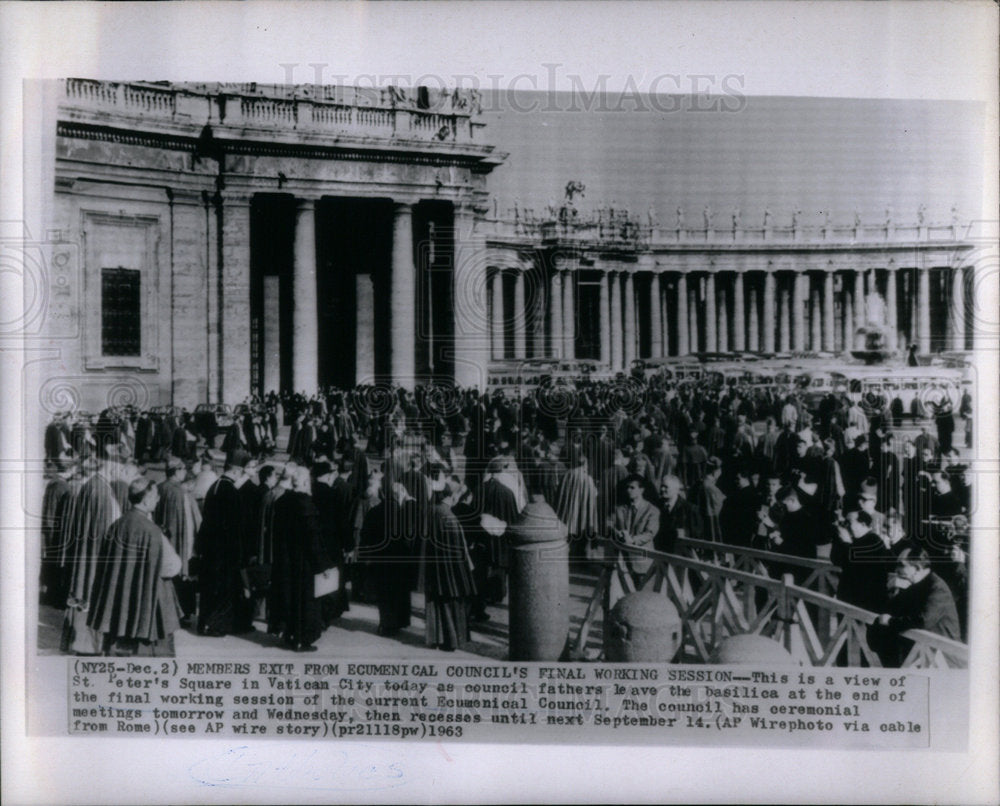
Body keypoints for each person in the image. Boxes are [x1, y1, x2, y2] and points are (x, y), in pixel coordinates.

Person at [85, 477, 183, 656]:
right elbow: (172, 567)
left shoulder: (116, 526)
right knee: (156, 653)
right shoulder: (153, 531)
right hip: (150, 602)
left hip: (119, 602)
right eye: (155, 496)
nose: (158, 499)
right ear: (146, 499)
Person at [61, 454, 123, 655]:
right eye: (119, 469)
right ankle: (87, 647)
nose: (120, 474)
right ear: (111, 468)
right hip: (96, 558)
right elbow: (105, 533)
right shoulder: (101, 492)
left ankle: (81, 644)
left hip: (87, 555)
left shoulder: (94, 486)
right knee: (91, 598)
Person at [268, 466, 332, 651]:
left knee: (288, 597)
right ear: (305, 482)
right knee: (305, 601)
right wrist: (323, 565)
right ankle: (302, 639)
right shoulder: (306, 504)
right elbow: (313, 538)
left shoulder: (282, 501)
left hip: (285, 558)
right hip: (303, 562)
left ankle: (288, 634)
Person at [869, 545, 961, 667]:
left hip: (945, 662)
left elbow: (923, 621)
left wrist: (890, 622)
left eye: (901, 565)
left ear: (917, 568)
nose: (896, 570)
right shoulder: (915, 584)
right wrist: (890, 590)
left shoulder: (938, 589)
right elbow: (887, 610)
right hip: (923, 658)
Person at [195, 449, 254, 636]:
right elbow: (237, 527)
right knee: (222, 590)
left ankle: (204, 623)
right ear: (236, 471)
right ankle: (214, 626)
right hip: (225, 550)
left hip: (210, 547)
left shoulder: (215, 486)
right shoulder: (231, 492)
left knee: (209, 588)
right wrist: (241, 553)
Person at [422, 471, 476, 651]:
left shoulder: (430, 511)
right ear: (450, 497)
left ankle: (435, 638)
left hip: (432, 567)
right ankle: (451, 641)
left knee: (434, 603)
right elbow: (459, 549)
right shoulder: (450, 518)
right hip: (450, 570)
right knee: (452, 604)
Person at [360, 480, 418, 636]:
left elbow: (365, 536)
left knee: (384, 593)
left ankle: (386, 624)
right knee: (399, 591)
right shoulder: (404, 513)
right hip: (400, 559)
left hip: (380, 559)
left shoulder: (374, 511)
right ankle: (399, 621)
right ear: (399, 496)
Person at [154, 456, 202, 622]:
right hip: (178, 542)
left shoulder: (160, 487)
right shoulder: (180, 492)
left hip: (163, 539)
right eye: (183, 469)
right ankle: (180, 613)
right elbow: (186, 523)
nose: (185, 473)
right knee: (180, 578)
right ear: (177, 471)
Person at [833, 510, 893, 614]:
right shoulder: (854, 540)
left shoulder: (874, 541)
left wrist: (847, 543)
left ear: (863, 524)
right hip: (849, 597)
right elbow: (835, 559)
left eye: (849, 522)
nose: (846, 526)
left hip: (866, 601)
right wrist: (838, 539)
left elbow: (856, 562)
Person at [611, 475, 660, 589]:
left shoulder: (652, 510)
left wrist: (632, 540)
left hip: (642, 561)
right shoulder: (620, 508)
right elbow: (609, 523)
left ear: (641, 490)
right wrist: (617, 533)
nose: (629, 490)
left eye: (632, 488)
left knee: (643, 595)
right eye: (627, 487)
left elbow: (650, 533)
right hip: (623, 560)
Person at [40, 457, 77, 607]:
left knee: (48, 560)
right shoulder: (64, 487)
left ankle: (47, 590)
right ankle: (53, 594)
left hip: (47, 526)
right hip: (56, 529)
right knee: (56, 563)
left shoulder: (52, 484)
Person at [555, 450, 600, 561]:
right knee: (580, 536)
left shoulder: (566, 475)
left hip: (567, 514)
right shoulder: (587, 478)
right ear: (584, 463)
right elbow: (593, 495)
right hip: (581, 513)